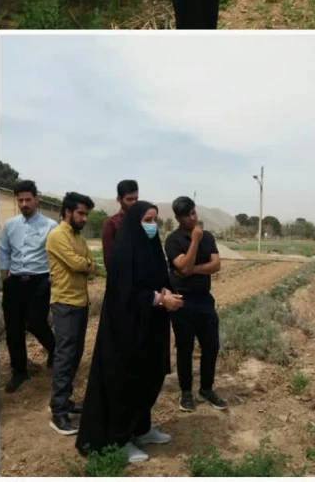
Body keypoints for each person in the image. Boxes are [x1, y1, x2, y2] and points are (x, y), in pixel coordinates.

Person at [77, 202, 183, 464]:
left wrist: (166, 292)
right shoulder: (123, 253)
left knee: (150, 377)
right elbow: (126, 292)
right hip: (126, 332)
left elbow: (159, 279)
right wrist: (159, 300)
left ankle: (141, 429)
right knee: (126, 383)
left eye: (155, 220)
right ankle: (118, 440)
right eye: (147, 219)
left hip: (150, 328)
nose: (152, 225)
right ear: (135, 222)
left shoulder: (152, 249)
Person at [164, 196, 227, 412]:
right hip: (181, 300)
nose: (193, 218)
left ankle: (206, 389)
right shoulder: (172, 241)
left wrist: (193, 270)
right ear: (178, 218)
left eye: (194, 213)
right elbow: (182, 265)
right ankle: (186, 392)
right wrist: (195, 241)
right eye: (188, 215)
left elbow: (216, 264)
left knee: (211, 345)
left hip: (204, 300)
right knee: (185, 348)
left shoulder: (207, 236)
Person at [46, 192, 97, 435]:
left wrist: (87, 264)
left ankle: (64, 401)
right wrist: (86, 265)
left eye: (86, 214)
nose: (84, 218)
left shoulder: (79, 238)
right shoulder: (57, 236)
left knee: (75, 355)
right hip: (64, 303)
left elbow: (91, 263)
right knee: (65, 356)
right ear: (68, 212)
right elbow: (79, 264)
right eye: (81, 213)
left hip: (80, 302)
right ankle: (58, 413)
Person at [0, 180, 57, 393]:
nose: (24, 204)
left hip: (40, 281)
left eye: (28, 199)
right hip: (15, 281)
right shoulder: (10, 225)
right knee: (13, 327)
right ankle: (20, 371)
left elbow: (55, 254)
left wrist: (52, 277)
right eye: (21, 200)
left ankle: (54, 349)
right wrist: (5, 276)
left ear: (36, 199)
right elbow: (4, 250)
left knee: (35, 322)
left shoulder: (51, 226)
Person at [101, 179, 139, 267]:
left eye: (136, 199)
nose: (134, 203)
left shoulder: (142, 221)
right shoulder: (111, 223)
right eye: (129, 199)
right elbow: (109, 258)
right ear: (119, 199)